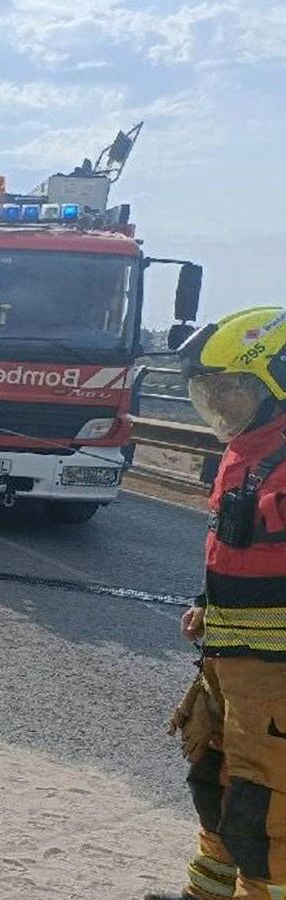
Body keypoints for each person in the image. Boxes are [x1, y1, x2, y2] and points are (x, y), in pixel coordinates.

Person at [157, 308, 286, 900]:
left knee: (266, 816)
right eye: (209, 393)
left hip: (273, 678)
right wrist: (207, 604)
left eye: (231, 391)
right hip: (228, 660)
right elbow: (242, 554)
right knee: (215, 786)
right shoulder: (247, 454)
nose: (219, 407)